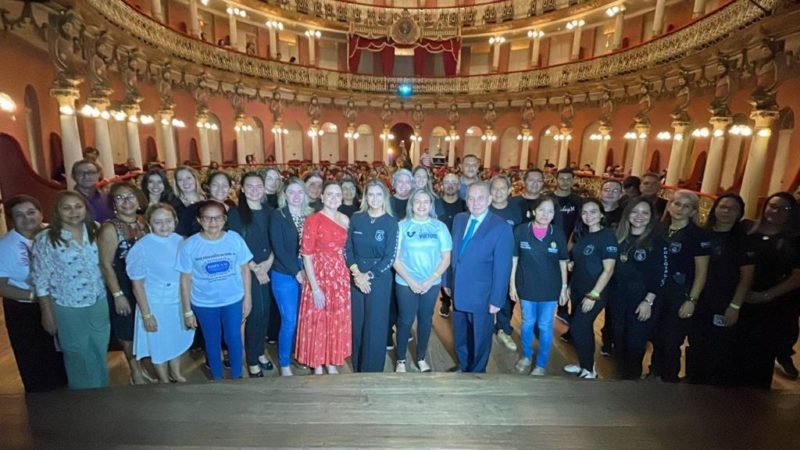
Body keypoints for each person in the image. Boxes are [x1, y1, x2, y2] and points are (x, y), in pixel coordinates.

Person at [32, 191, 111, 389]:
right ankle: (81, 396)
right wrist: (47, 313)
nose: (73, 212)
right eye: (66, 208)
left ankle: (101, 392)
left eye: (78, 206)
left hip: (98, 300)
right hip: (67, 305)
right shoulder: (46, 239)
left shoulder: (96, 230)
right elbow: (41, 280)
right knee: (76, 352)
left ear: (85, 209)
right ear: (57, 211)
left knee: (99, 349)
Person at [176, 200, 253, 380]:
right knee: (212, 340)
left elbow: (245, 269)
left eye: (217, 218)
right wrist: (187, 311)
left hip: (233, 300)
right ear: (199, 220)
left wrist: (248, 298)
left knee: (233, 337)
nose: (213, 222)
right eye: (207, 218)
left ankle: (237, 375)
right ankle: (217, 378)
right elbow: (185, 279)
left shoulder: (234, 239)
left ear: (225, 219)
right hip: (204, 303)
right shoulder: (190, 245)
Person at [0, 195, 67, 393]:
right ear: (12, 219)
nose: (27, 218)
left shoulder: (53, 233)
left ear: (41, 213)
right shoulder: (5, 246)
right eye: (19, 215)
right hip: (24, 308)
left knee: (61, 355)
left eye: (31, 212)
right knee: (35, 359)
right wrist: (34, 297)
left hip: (58, 301)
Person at [685, 194, 753, 385]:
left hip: (724, 301)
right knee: (696, 341)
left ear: (740, 213)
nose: (726, 211)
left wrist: (735, 306)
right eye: (722, 207)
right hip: (699, 299)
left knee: (718, 346)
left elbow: (746, 276)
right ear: (715, 209)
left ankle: (713, 390)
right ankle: (693, 382)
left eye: (732, 209)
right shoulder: (703, 234)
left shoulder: (741, 240)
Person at [446, 182, 513, 373]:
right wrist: (447, 281)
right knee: (460, 334)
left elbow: (503, 268)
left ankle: (477, 373)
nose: (475, 203)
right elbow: (452, 253)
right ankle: (463, 365)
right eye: (471, 198)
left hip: (482, 296)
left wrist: (497, 300)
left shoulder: (501, 227)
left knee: (480, 339)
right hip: (458, 290)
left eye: (480, 198)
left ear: (490, 199)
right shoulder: (459, 219)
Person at [734, 193, 800, 388]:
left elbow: (797, 276)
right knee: (735, 350)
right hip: (742, 298)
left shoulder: (795, 239)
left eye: (784, 209)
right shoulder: (747, 228)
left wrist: (765, 296)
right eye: (773, 206)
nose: (777, 211)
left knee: (761, 355)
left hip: (774, 304)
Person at [127, 203, 195, 383]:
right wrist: (146, 314)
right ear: (149, 224)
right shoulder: (141, 247)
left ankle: (176, 372)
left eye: (168, 221)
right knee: (158, 344)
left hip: (177, 300)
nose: (164, 226)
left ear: (175, 221)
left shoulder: (180, 241)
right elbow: (137, 285)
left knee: (175, 339)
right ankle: (164, 380)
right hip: (155, 303)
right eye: (158, 222)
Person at [650, 190, 710, 383]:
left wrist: (692, 300)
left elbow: (701, 273)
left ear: (693, 211)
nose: (680, 209)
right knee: (656, 337)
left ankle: (670, 379)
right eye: (677, 204)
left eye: (686, 206)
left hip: (680, 294)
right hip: (657, 292)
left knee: (671, 341)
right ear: (669, 205)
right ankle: (654, 372)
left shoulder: (697, 235)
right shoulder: (659, 229)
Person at [608, 197, 668, 380]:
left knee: (635, 343)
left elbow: (661, 274)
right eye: (634, 211)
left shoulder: (657, 241)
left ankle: (632, 381)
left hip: (642, 299)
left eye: (644, 212)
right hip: (618, 297)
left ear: (651, 216)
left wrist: (648, 301)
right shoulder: (618, 236)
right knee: (618, 339)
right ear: (627, 214)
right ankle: (621, 378)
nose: (639, 216)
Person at [295, 182, 352, 374]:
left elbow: (348, 249)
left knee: (335, 318)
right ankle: (317, 363)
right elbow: (307, 255)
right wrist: (315, 287)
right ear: (322, 197)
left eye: (337, 194)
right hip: (319, 275)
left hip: (340, 276)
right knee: (318, 318)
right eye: (329, 194)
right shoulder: (313, 220)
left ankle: (331, 360)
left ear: (342, 198)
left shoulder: (345, 219)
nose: (333, 198)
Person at [509, 195, 569, 376]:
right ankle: (526, 356)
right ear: (534, 211)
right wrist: (512, 285)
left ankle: (541, 364)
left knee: (544, 325)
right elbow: (514, 260)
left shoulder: (557, 233)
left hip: (550, 289)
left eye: (550, 211)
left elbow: (563, 262)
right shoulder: (521, 231)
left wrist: (564, 287)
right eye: (541, 209)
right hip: (526, 286)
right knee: (527, 323)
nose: (545, 214)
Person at [393, 189, 451, 373]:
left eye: (426, 201)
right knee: (405, 320)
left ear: (431, 205)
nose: (421, 205)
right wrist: (410, 281)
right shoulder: (402, 226)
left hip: (431, 283)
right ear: (411, 204)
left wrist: (430, 280)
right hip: (405, 282)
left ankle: (421, 357)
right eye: (417, 201)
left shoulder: (439, 227)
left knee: (425, 320)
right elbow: (395, 258)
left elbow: (446, 257)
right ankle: (401, 360)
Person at [98, 182, 150, 384]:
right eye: (119, 197)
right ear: (113, 203)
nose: (126, 201)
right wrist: (117, 295)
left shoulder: (144, 224)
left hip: (145, 287)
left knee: (143, 328)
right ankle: (135, 371)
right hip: (123, 287)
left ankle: (144, 367)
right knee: (127, 332)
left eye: (130, 196)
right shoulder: (110, 229)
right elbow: (105, 265)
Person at [345, 179, 399, 372]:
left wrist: (367, 276)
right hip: (356, 276)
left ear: (384, 197)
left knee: (375, 325)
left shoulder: (391, 222)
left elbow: (390, 257)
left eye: (378, 194)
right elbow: (347, 249)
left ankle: (373, 371)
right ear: (365, 197)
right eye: (371, 194)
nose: (374, 198)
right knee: (358, 323)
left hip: (379, 277)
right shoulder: (357, 218)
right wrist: (356, 273)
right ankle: (358, 368)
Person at [562, 199, 618, 379]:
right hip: (578, 289)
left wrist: (594, 295)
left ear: (602, 214)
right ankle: (584, 365)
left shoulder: (607, 236)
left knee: (579, 327)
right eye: (585, 212)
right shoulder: (583, 235)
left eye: (593, 211)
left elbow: (608, 270)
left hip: (594, 293)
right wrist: (570, 283)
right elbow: (581, 263)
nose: (588, 216)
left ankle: (590, 370)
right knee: (581, 329)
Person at [227, 172, 276, 377]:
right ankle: (253, 359)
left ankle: (260, 350)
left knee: (266, 314)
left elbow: (276, 240)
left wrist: (268, 263)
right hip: (247, 269)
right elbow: (235, 244)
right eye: (250, 186)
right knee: (255, 314)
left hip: (269, 267)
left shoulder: (271, 212)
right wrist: (255, 267)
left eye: (258, 186)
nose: (255, 190)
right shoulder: (235, 214)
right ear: (243, 189)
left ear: (264, 189)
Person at [269, 178, 313, 376]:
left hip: (308, 271)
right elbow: (278, 248)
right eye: (291, 192)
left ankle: (300, 354)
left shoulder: (311, 214)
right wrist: (296, 271)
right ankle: (284, 363)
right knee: (290, 320)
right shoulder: (278, 215)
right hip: (284, 273)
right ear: (284, 195)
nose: (296, 196)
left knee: (305, 319)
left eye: (300, 192)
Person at [489, 175, 525, 352]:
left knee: (505, 298)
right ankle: (485, 327)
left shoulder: (516, 212)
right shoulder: (483, 208)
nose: (498, 192)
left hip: (508, 262)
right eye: (494, 188)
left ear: (510, 191)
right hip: (486, 263)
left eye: (502, 188)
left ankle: (504, 329)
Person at [435, 173, 466, 318]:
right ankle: (445, 301)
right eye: (447, 182)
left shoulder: (465, 205)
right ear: (442, 185)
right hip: (440, 248)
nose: (450, 185)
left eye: (454, 182)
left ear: (459, 186)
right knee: (443, 275)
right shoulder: (435, 204)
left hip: (460, 248)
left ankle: (458, 301)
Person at [173, 166, 206, 236]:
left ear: (195, 179)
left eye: (188, 178)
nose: (185, 182)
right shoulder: (174, 205)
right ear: (176, 183)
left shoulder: (208, 198)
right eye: (180, 180)